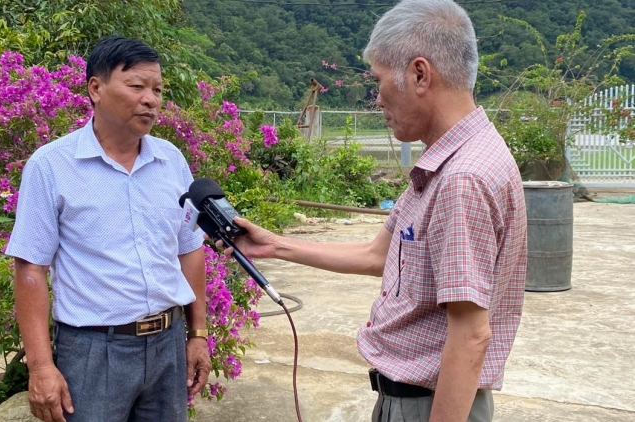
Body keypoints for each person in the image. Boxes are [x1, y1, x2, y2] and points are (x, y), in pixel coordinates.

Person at [219, 1, 527, 421]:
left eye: (379, 80)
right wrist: (276, 246)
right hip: (412, 400)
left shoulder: (462, 179)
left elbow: (471, 335)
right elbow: (377, 255)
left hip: (430, 407)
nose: (376, 99)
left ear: (420, 74)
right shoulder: (449, 163)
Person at [5, 37, 210, 422]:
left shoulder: (171, 160)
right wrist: (40, 367)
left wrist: (197, 334)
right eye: (136, 86)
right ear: (95, 88)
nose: (151, 99)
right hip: (94, 351)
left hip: (168, 344)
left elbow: (189, 249)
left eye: (158, 90)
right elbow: (30, 267)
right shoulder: (51, 166)